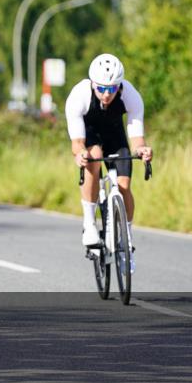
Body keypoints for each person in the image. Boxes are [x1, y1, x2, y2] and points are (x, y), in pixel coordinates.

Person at [65, 54, 153, 255]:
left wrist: (143, 150)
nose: (106, 94)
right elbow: (77, 144)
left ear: (119, 86)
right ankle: (89, 224)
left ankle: (127, 235)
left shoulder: (131, 95)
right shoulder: (79, 96)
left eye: (112, 89)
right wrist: (80, 154)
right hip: (90, 133)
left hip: (115, 133)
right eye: (102, 88)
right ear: (93, 84)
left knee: (124, 185)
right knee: (93, 156)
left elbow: (137, 139)